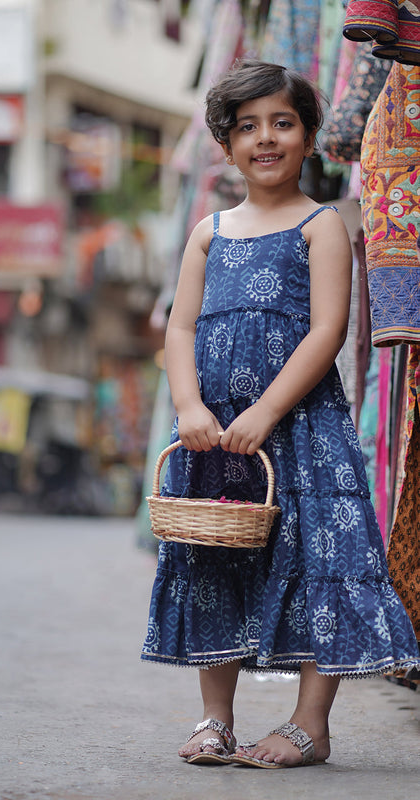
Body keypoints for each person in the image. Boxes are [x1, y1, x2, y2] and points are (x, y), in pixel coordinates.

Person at [141, 59, 420, 769]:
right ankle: (215, 718)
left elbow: (327, 330)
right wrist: (188, 406)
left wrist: (267, 410)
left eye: (282, 123)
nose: (266, 139)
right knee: (215, 561)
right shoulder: (209, 231)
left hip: (300, 430)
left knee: (322, 563)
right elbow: (180, 329)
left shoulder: (322, 225)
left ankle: (309, 725)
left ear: (309, 135)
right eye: (247, 127)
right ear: (226, 145)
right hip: (216, 432)